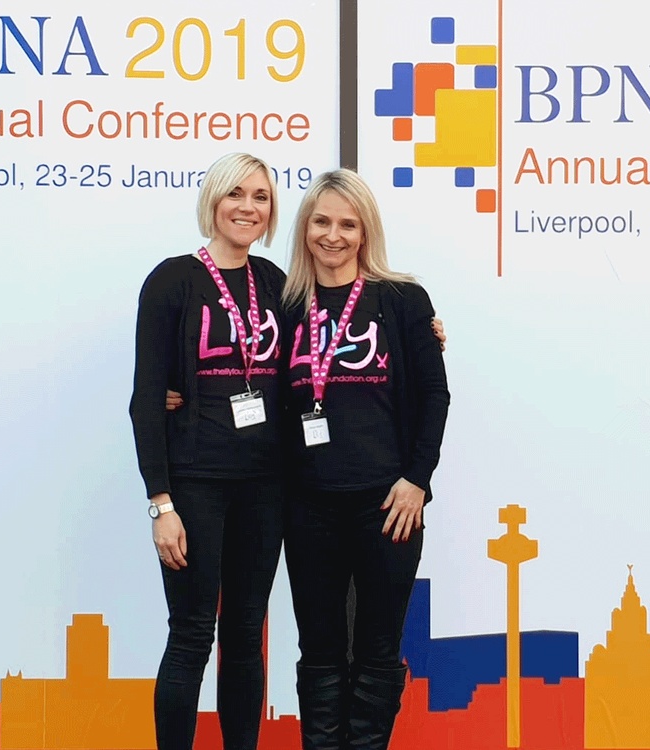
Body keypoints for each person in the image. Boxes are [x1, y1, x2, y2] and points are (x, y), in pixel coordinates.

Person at [280, 169, 450, 750]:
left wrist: (417, 481)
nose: (334, 235)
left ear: (365, 231)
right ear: (305, 229)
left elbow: (434, 395)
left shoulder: (402, 301)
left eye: (348, 224)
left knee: (378, 649)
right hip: (307, 507)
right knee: (320, 650)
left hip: (389, 504)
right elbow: (237, 375)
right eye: (322, 222)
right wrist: (176, 393)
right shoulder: (284, 306)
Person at [129, 153, 288, 750]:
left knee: (246, 634)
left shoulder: (275, 282)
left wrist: (419, 324)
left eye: (261, 197)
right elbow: (147, 398)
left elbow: (335, 323)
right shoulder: (173, 280)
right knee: (193, 632)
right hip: (194, 483)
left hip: (266, 485)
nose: (248, 207)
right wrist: (160, 503)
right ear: (213, 202)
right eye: (236, 195)